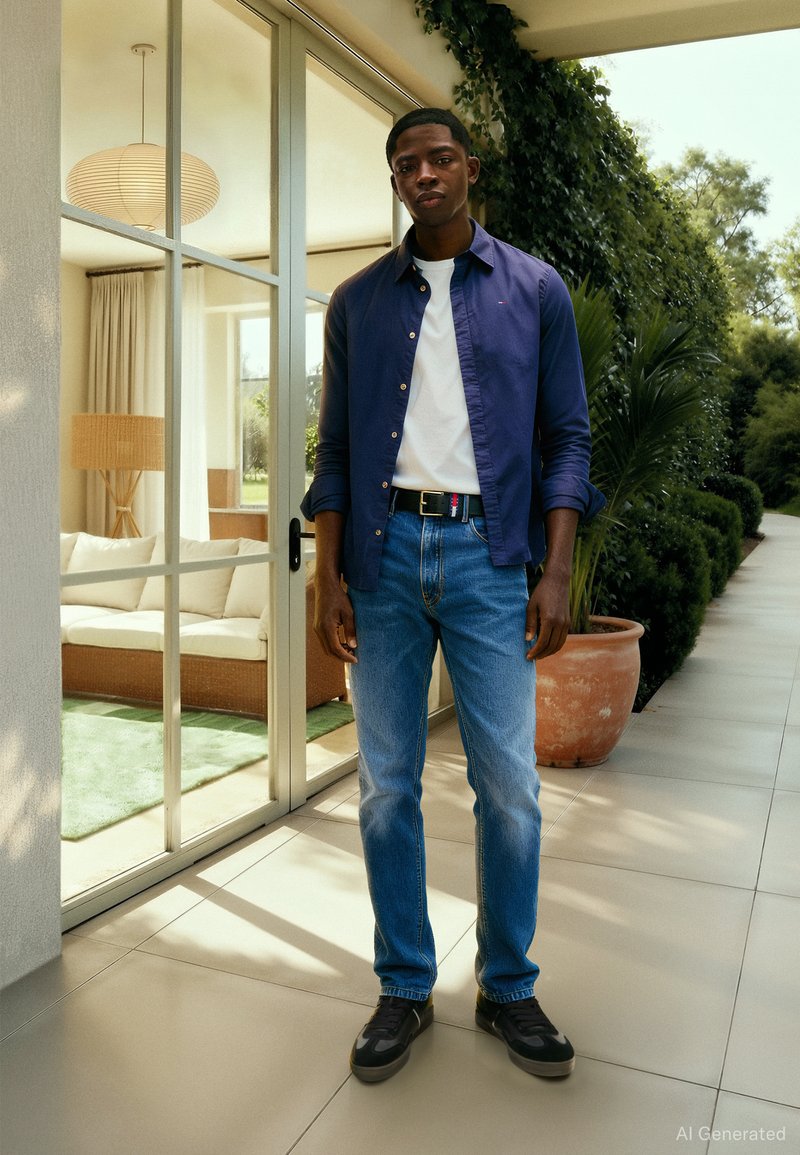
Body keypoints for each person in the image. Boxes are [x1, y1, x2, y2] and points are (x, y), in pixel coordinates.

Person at [300, 107, 603, 1083]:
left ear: (468, 168)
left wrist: (552, 570)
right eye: (404, 164)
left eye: (437, 158)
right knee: (386, 787)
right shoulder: (355, 302)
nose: (422, 173)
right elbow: (334, 451)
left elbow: (567, 437)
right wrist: (326, 573)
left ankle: (507, 986)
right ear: (394, 183)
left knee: (507, 790)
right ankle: (403, 985)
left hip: (487, 555)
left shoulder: (533, 289)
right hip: (381, 559)